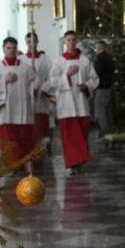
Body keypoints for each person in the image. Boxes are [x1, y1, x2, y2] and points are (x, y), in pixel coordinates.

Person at [48, 30, 98, 175]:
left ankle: (79, 160)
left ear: (77, 41)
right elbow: (53, 82)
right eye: (68, 40)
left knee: (81, 134)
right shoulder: (58, 61)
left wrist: (86, 86)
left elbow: (94, 79)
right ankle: (72, 163)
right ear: (64, 42)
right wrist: (67, 75)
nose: (71, 42)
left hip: (81, 104)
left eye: (73, 39)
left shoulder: (85, 60)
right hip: (66, 105)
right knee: (70, 136)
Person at [0, 37, 38, 173]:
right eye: (8, 48)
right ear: (3, 49)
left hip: (23, 109)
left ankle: (24, 161)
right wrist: (4, 81)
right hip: (6, 110)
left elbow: (35, 81)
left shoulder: (25, 67)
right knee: (8, 139)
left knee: (24, 137)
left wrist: (34, 89)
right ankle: (12, 164)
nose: (11, 50)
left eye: (14, 48)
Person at [24, 31, 53, 152]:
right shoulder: (21, 59)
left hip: (42, 96)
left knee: (44, 120)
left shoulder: (45, 59)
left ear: (37, 42)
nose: (31, 44)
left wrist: (43, 88)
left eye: (33, 41)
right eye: (28, 41)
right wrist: (30, 89)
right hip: (28, 97)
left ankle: (45, 143)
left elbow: (52, 77)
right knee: (29, 121)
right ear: (26, 42)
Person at [92, 40, 115, 136]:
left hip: (101, 89)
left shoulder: (100, 59)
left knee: (100, 112)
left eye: (95, 48)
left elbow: (96, 74)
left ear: (99, 48)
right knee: (108, 112)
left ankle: (104, 133)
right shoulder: (109, 58)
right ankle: (110, 133)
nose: (94, 50)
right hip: (108, 87)